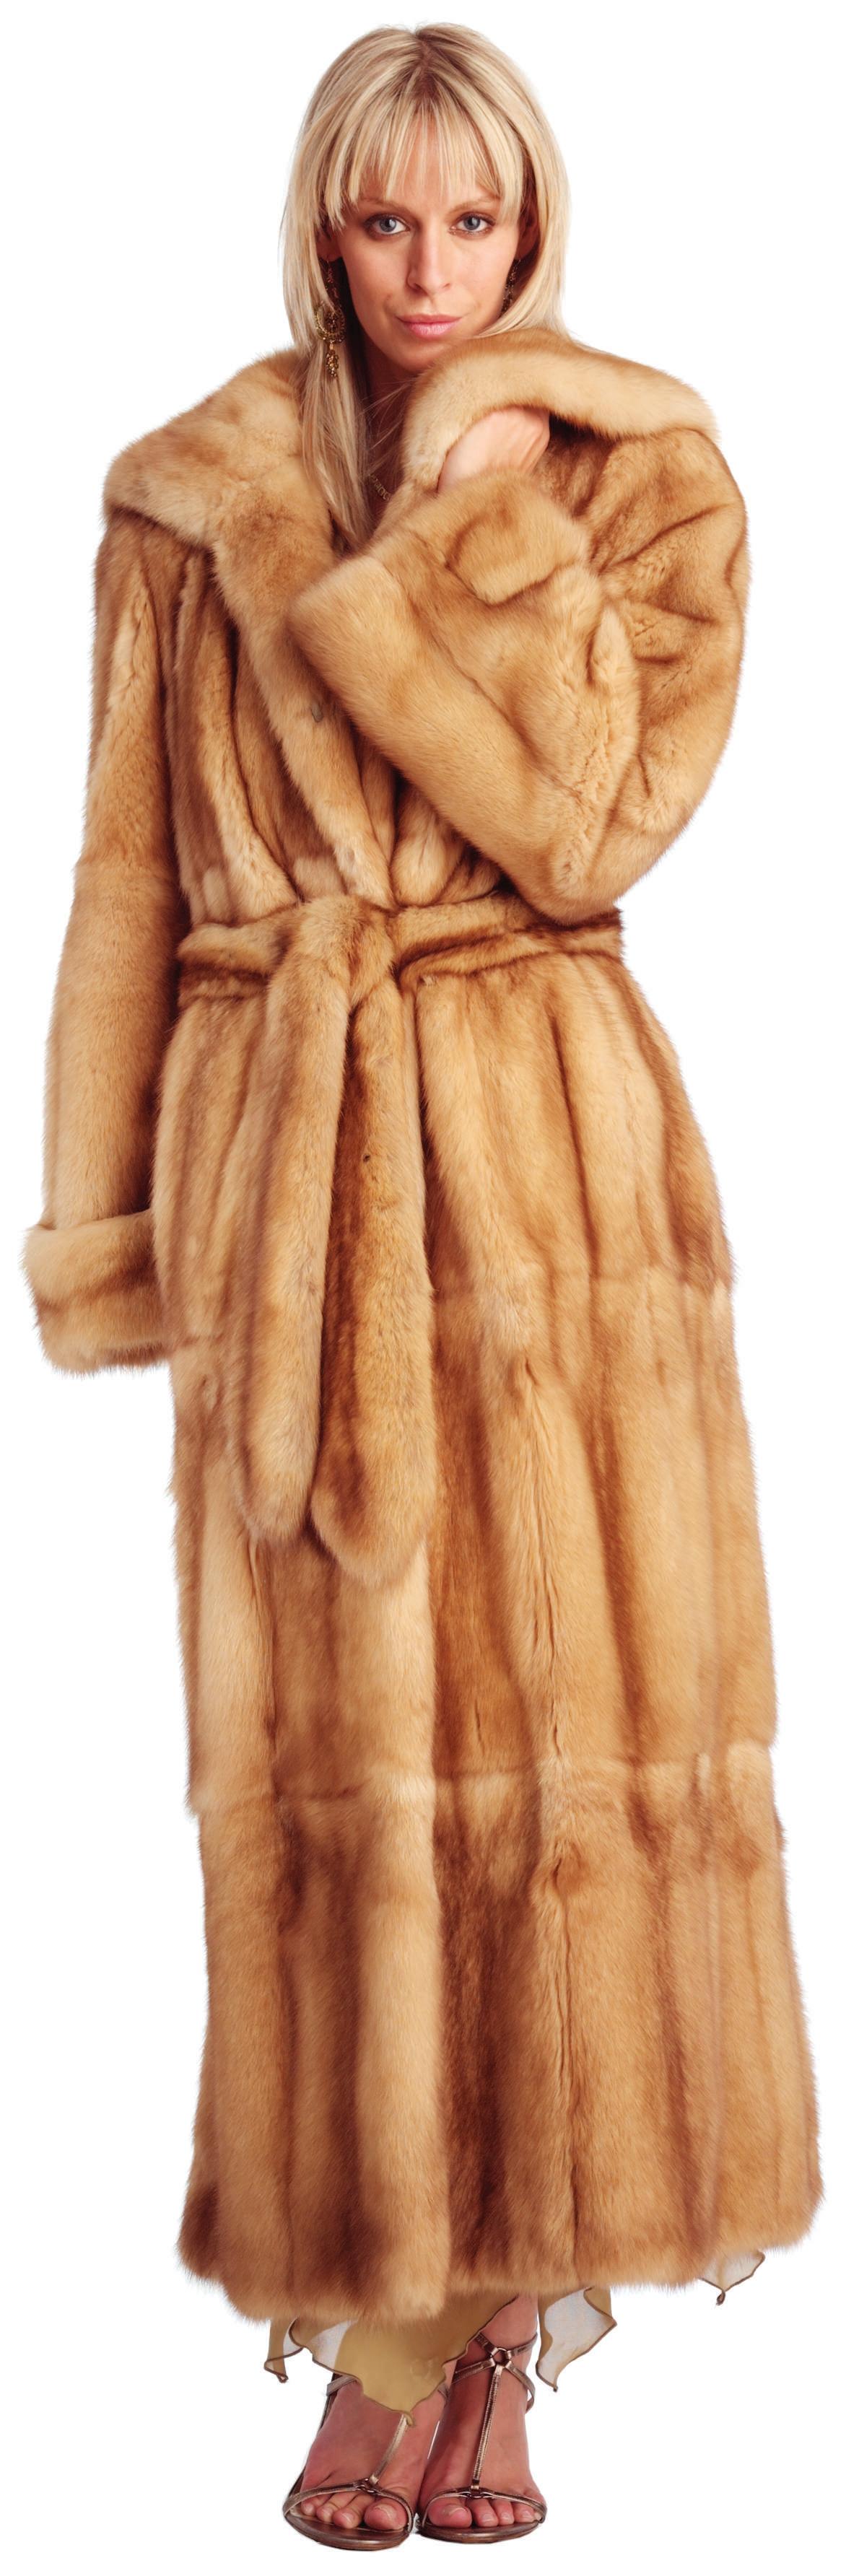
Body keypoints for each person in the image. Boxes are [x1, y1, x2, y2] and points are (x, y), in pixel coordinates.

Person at [22, 20, 822, 2553]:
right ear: (323, 222)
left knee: (561, 1758)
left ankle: (470, 2345)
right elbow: (124, 885)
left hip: (550, 1174)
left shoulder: (638, 474)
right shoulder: (187, 497)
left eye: (476, 219)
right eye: (386, 220)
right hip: (301, 1183)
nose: (431, 271)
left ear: (534, 222)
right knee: (330, 1788)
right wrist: (107, 1232)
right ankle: (384, 2296)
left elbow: (595, 821)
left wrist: (489, 525)